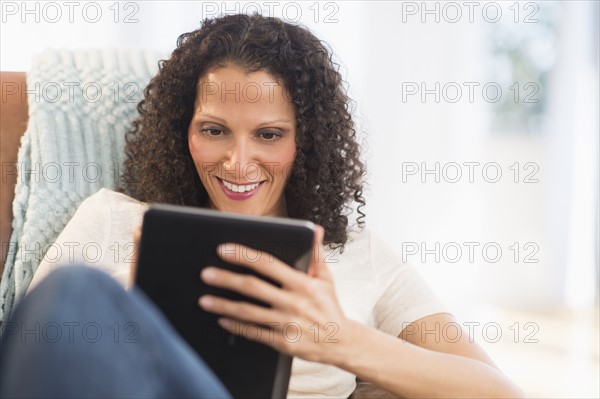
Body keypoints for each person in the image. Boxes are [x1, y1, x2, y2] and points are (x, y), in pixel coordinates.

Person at [1, 13, 524, 398]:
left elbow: (497, 391)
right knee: (78, 292)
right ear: (181, 132)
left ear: (306, 143)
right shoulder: (112, 218)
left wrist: (342, 340)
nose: (238, 162)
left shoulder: (356, 255)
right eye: (214, 130)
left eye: (269, 135)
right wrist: (131, 315)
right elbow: (24, 360)